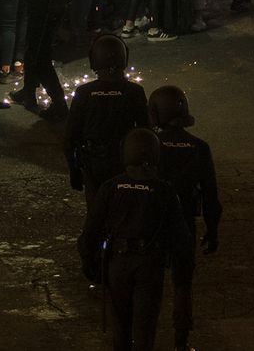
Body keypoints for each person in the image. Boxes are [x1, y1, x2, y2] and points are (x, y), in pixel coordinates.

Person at [78, 127, 193, 351]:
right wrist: (182, 272)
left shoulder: (111, 187)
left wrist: (89, 262)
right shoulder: (164, 190)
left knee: (120, 325)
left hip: (118, 262)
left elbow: (90, 229)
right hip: (150, 263)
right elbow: (181, 235)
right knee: (145, 327)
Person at [148, 86, 221, 351]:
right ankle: (181, 342)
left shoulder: (150, 145)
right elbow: (211, 195)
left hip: (153, 224)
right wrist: (212, 231)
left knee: (150, 283)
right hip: (184, 223)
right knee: (182, 284)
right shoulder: (199, 147)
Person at [66, 35, 149, 204]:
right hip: (124, 161)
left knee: (97, 211)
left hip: (94, 162)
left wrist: (74, 170)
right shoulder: (134, 91)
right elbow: (145, 132)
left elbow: (70, 136)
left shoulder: (84, 92)